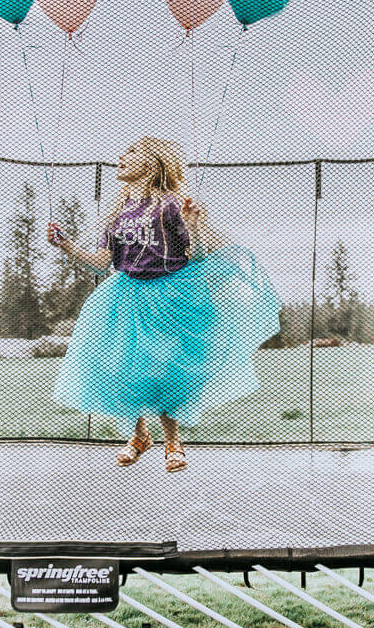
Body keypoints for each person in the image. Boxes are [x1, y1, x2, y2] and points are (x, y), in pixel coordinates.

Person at [47, 137, 280, 472]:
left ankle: (173, 440)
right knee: (121, 368)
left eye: (131, 152)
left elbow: (197, 257)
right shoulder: (116, 213)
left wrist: (195, 228)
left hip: (169, 296)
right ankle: (139, 435)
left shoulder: (172, 205)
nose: (121, 156)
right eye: (122, 150)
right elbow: (101, 264)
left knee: (165, 369)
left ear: (153, 163)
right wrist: (66, 245)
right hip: (124, 296)